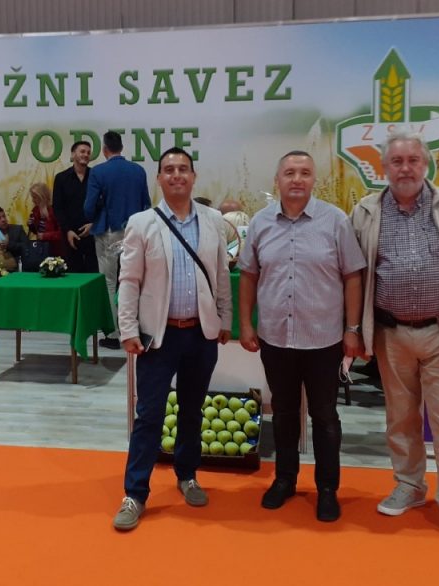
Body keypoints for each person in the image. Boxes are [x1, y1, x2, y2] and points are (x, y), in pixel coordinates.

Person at [349, 130, 439, 549]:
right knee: (400, 418)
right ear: (383, 168)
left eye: (413, 160)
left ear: (426, 164)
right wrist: (355, 329)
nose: (405, 168)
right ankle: (410, 485)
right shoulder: (366, 211)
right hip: (390, 333)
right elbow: (355, 276)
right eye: (396, 162)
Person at [237, 151, 365, 522]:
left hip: (324, 339)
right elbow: (248, 275)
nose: (297, 179)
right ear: (277, 180)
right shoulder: (261, 222)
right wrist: (246, 323)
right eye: (290, 173)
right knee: (284, 412)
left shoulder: (335, 221)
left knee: (325, 416)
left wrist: (352, 329)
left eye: (305, 173)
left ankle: (327, 489)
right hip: (276, 337)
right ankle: (285, 479)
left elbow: (352, 276)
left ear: (314, 180)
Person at [112, 147, 233, 531]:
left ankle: (187, 475)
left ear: (193, 177)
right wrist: (128, 329)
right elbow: (129, 280)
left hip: (200, 334)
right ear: (159, 178)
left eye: (183, 168)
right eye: (169, 169)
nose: (177, 174)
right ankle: (135, 493)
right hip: (158, 337)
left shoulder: (213, 221)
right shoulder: (142, 222)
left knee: (193, 410)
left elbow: (221, 275)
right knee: (149, 415)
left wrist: (225, 319)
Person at [84, 131, 151, 349]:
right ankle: (139, 328)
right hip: (135, 231)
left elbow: (88, 208)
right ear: (121, 148)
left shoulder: (98, 172)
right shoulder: (138, 170)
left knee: (109, 281)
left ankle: (114, 333)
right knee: (137, 279)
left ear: (105, 150)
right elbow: (146, 204)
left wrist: (96, 211)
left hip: (108, 231)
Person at [53, 141, 98, 273]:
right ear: (73, 154)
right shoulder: (61, 178)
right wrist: (67, 230)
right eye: (82, 151)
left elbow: (103, 204)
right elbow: (57, 207)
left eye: (88, 152)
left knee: (94, 272)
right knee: (73, 273)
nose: (86, 155)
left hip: (93, 233)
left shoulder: (96, 176)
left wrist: (94, 224)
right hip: (70, 235)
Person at [27, 182, 64, 258]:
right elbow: (37, 231)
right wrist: (31, 225)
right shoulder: (35, 210)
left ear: (42, 196)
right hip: (42, 249)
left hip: (55, 250)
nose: (33, 200)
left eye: (35, 197)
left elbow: (62, 233)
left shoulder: (54, 210)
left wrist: (45, 236)